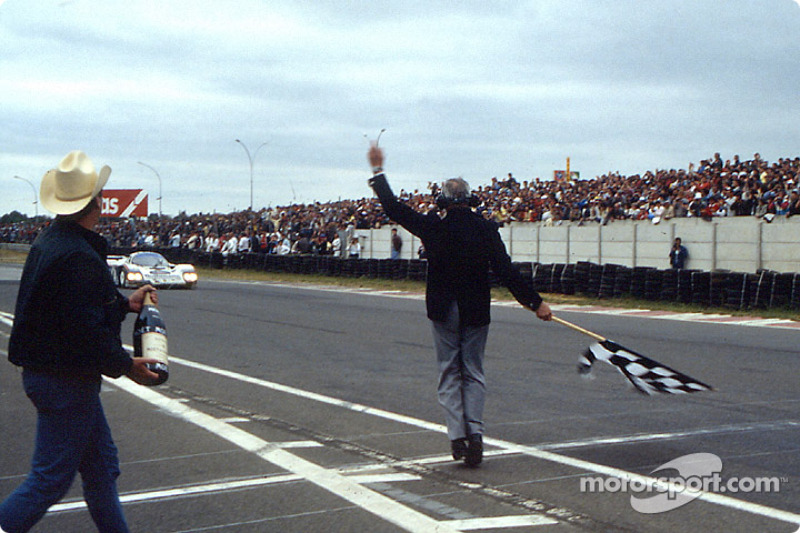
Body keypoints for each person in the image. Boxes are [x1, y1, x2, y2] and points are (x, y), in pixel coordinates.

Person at [0, 151, 160, 533]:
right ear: (96, 204)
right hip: (65, 378)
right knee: (48, 480)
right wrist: (126, 367)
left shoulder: (51, 243)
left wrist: (125, 304)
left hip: (54, 374)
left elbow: (69, 310)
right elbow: (84, 331)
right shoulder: (77, 255)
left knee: (102, 467)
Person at [366, 144, 552, 467]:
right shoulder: (486, 228)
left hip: (442, 308)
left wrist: (378, 171)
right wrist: (535, 303)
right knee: (474, 371)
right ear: (469, 199)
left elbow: (394, 209)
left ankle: (458, 437)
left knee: (449, 370)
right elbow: (507, 271)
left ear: (443, 201)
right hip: (476, 309)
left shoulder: (433, 226)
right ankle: (476, 432)